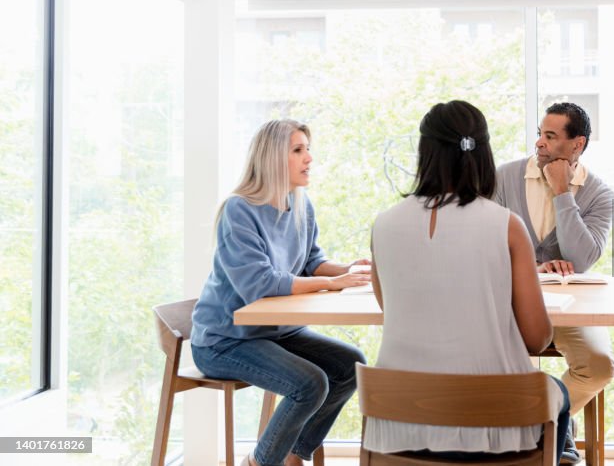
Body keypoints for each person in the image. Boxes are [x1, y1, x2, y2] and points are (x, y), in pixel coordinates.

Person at [366, 100, 571, 458]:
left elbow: (394, 311)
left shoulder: (382, 225)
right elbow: (537, 339)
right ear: (482, 154)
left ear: (424, 152)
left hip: (398, 423)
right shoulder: (506, 225)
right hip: (493, 424)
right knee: (559, 395)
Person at [191, 119, 371, 466]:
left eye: (308, 149)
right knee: (310, 383)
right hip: (225, 341)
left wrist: (349, 269)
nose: (310, 158)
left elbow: (312, 261)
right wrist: (332, 284)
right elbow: (259, 284)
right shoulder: (238, 210)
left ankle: (291, 455)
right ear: (274, 157)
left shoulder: (301, 205)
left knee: (351, 365)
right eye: (298, 150)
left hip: (278, 332)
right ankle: (259, 462)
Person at [493, 102, 614, 464]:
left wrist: (563, 193)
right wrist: (534, 267)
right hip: (509, 304)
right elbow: (483, 247)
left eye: (550, 136)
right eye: (539, 134)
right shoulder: (503, 178)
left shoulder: (598, 193)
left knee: (599, 366)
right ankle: (555, 430)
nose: (540, 143)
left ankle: (552, 421)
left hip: (570, 310)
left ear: (577, 145)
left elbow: (582, 259)